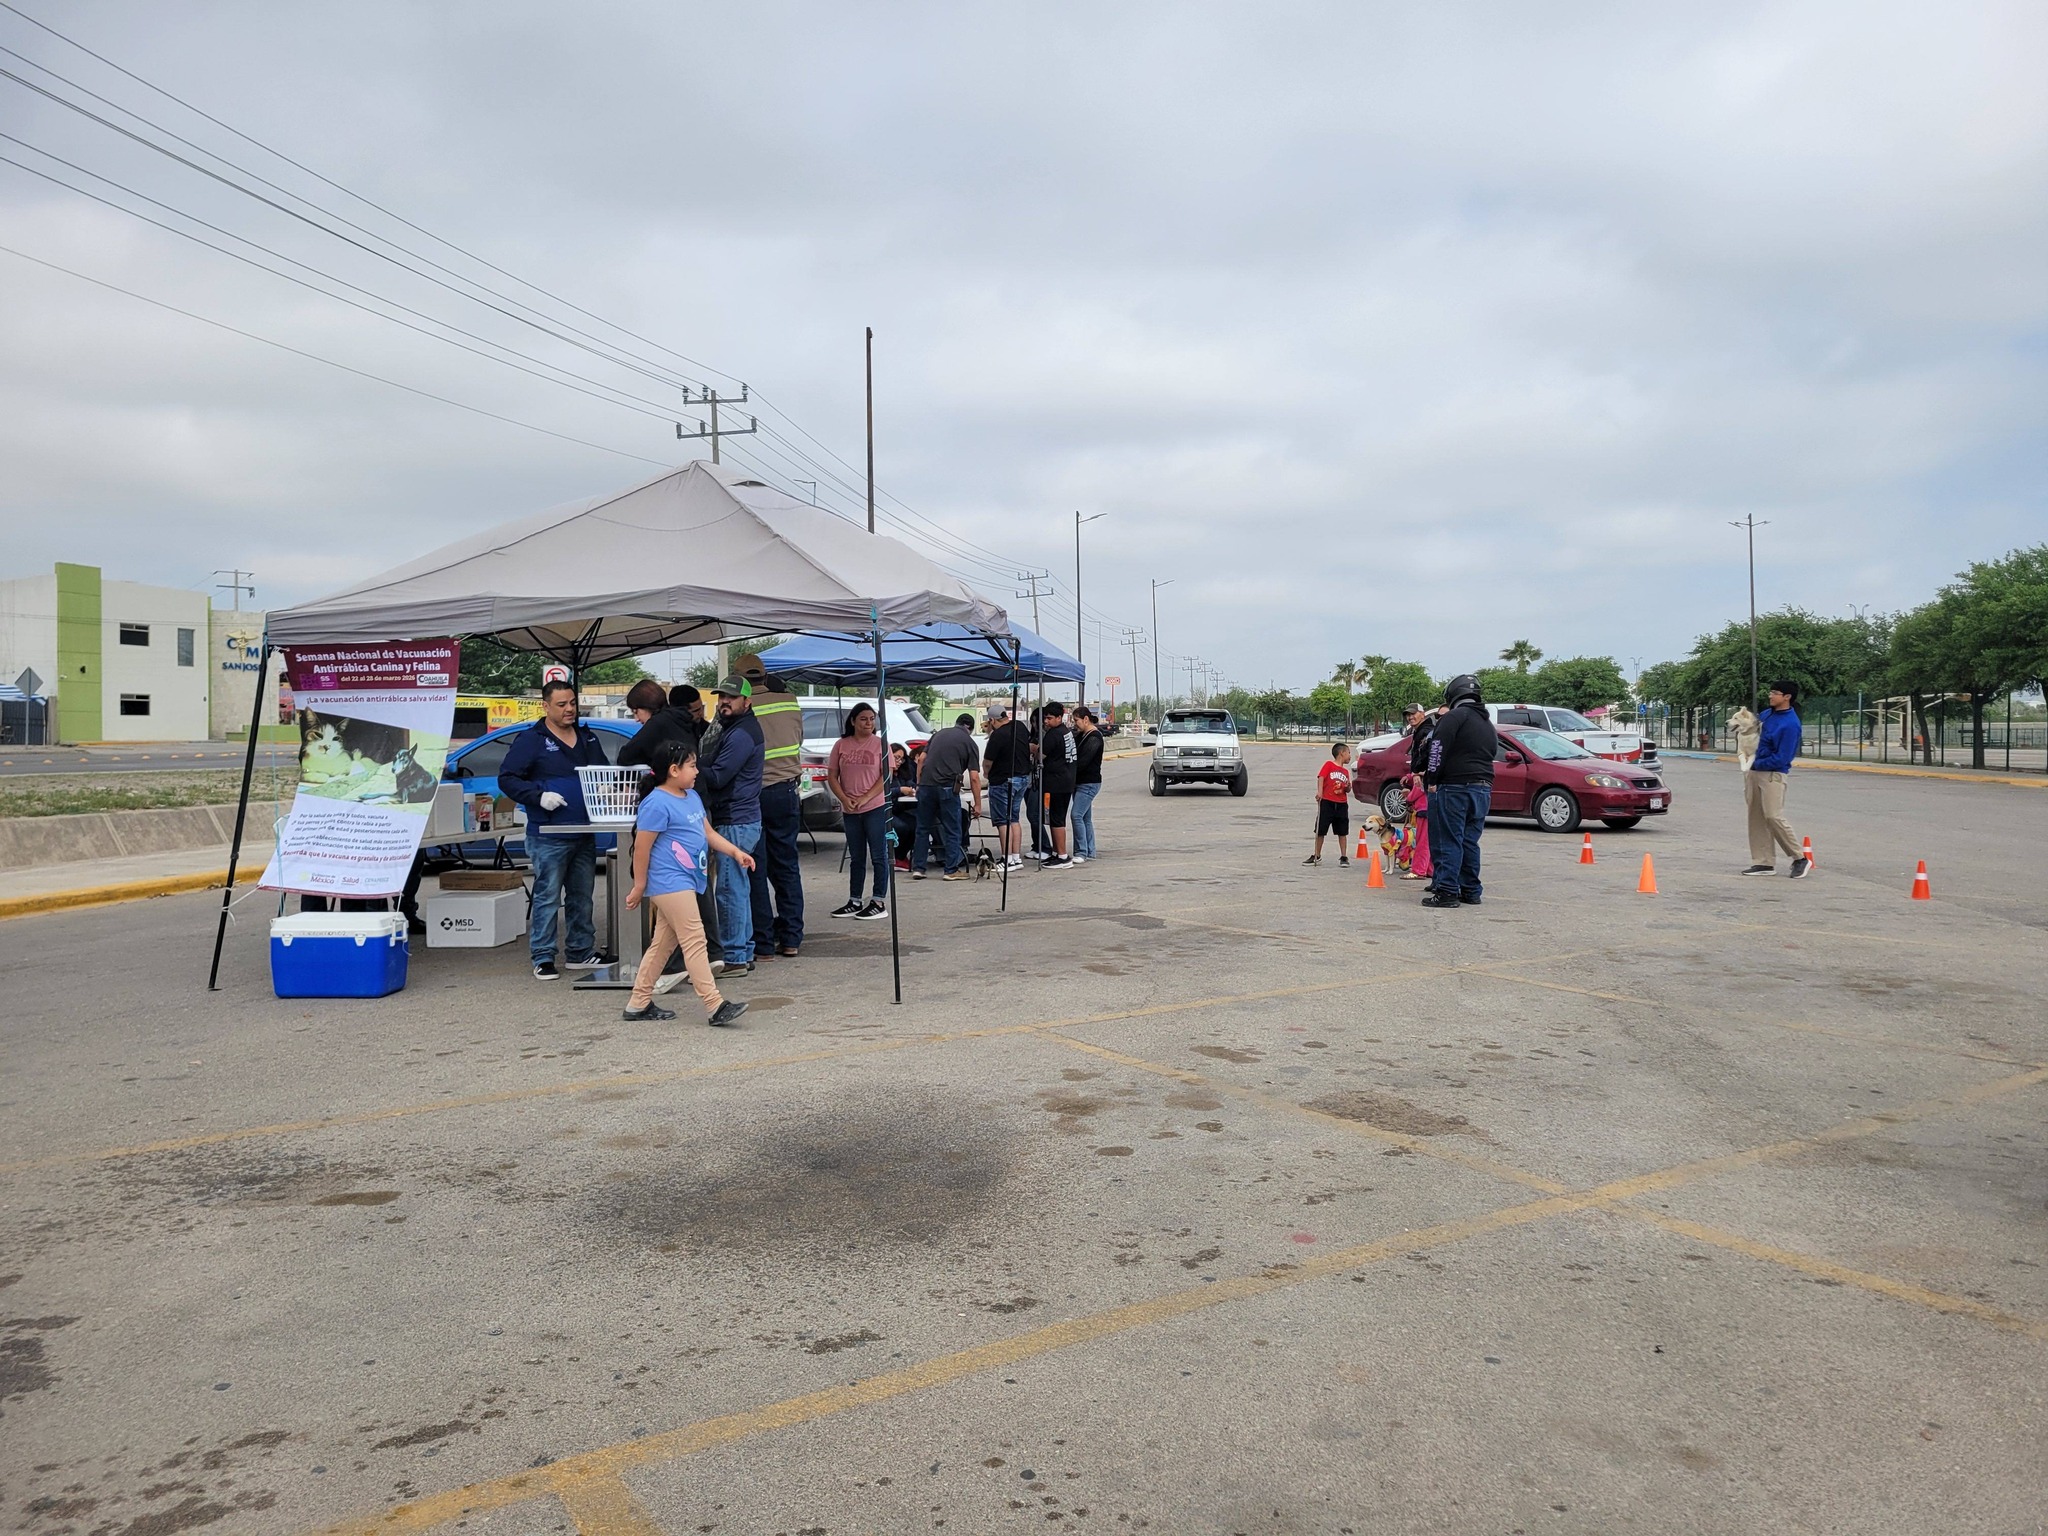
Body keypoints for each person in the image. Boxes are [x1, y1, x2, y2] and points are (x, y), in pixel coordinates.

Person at [621, 741, 751, 1028]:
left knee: (663, 944)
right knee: (695, 939)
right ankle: (714, 1004)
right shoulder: (655, 803)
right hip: (669, 881)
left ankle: (638, 1002)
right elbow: (641, 849)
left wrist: (735, 852)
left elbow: (706, 832)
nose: (696, 771)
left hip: (687, 879)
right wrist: (639, 886)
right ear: (673, 770)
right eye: (692, 766)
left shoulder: (690, 796)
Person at [498, 680, 611, 979]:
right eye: (562, 704)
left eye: (572, 702)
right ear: (546, 706)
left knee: (582, 895)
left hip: (584, 831)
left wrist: (604, 784)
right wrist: (538, 797)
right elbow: (508, 778)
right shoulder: (531, 740)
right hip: (549, 834)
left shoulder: (587, 738)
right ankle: (543, 956)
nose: (569, 709)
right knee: (548, 896)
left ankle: (580, 952)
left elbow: (603, 771)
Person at [619, 680, 721, 971]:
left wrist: (639, 885)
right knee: (699, 884)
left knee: (679, 889)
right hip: (698, 805)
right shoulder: (686, 720)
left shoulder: (659, 723)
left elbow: (625, 755)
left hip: (679, 812)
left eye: (636, 712)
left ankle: (683, 965)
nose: (637, 719)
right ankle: (708, 954)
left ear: (644, 708)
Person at [733, 654, 805, 958]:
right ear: (765, 675)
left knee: (755, 868)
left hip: (753, 796)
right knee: (787, 865)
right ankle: (791, 939)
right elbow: (798, 739)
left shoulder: (743, 707)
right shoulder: (790, 701)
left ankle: (762, 944)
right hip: (787, 793)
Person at [698, 675, 765, 971]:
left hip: (735, 820)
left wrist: (689, 765)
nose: (724, 701)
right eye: (721, 696)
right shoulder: (735, 728)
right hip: (741, 818)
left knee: (727, 890)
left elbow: (719, 777)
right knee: (736, 887)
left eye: (731, 697)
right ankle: (743, 952)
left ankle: (734, 958)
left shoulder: (740, 734)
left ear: (747, 702)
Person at [1420, 675, 1497, 909]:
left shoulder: (1454, 717)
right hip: (1482, 788)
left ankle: (1446, 892)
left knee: (1448, 840)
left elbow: (1437, 749)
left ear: (1453, 695)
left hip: (1455, 788)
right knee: (1469, 841)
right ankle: (1471, 891)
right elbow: (1492, 752)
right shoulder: (1486, 723)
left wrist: (1432, 779)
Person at [826, 702, 892, 920]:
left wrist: (865, 797)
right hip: (850, 808)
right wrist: (844, 799)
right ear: (853, 721)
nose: (869, 723)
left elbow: (886, 777)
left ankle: (878, 900)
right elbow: (832, 776)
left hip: (874, 807)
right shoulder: (841, 745)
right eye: (864, 719)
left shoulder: (881, 744)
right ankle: (855, 899)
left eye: (872, 719)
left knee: (878, 855)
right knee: (856, 857)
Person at [1742, 681, 1810, 878]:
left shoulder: (1790, 724)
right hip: (1753, 772)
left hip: (1772, 774)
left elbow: (1783, 757)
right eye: (1771, 692)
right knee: (1756, 818)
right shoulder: (1767, 714)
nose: (1770, 696)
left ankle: (1799, 858)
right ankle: (1763, 863)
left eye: (1775, 693)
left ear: (1787, 697)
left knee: (1773, 816)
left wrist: (1757, 763)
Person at [913, 711, 983, 880]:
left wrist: (919, 783)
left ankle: (918, 868)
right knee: (953, 829)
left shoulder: (938, 735)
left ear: (957, 723)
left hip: (926, 787)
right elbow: (974, 778)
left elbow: (921, 759)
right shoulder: (970, 743)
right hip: (947, 787)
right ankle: (950, 870)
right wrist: (978, 804)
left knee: (922, 828)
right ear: (970, 729)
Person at [982, 704, 1034, 869]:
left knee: (1002, 821)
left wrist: (986, 774)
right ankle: (1016, 858)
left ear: (992, 720)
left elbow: (987, 762)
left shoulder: (997, 735)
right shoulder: (1019, 726)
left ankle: (1006, 859)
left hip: (1003, 781)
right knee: (1014, 818)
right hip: (1022, 779)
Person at [1038, 700, 1079, 869]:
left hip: (1056, 783)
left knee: (1056, 820)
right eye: (1044, 718)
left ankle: (1062, 856)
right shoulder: (1066, 732)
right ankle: (1056, 853)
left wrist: (1033, 749)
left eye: (1049, 718)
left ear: (1059, 717)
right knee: (1056, 819)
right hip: (1066, 780)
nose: (1046, 721)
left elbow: (1042, 755)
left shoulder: (1054, 734)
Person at [1305, 741, 1353, 866]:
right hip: (1327, 802)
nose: (1350, 756)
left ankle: (1343, 856)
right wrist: (1320, 792)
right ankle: (1317, 855)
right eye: (1348, 753)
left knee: (1342, 831)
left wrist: (1348, 787)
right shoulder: (1329, 765)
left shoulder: (1345, 772)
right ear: (1341, 753)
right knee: (1320, 829)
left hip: (1341, 803)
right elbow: (1321, 777)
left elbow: (1347, 789)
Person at [1071, 706, 1105, 862]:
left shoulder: (1094, 738)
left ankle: (1081, 852)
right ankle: (1090, 851)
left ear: (1085, 719)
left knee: (1076, 815)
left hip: (1089, 783)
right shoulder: (1082, 735)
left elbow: (1083, 762)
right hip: (1081, 782)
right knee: (1085, 818)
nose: (1074, 724)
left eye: (1076, 720)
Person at [890, 743, 920, 870]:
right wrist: (900, 790)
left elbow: (910, 782)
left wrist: (914, 787)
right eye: (896, 758)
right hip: (885, 811)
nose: (899, 762)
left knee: (917, 824)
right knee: (902, 828)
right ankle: (896, 856)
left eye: (901, 759)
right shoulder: (883, 774)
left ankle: (901, 855)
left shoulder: (902, 772)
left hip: (900, 809)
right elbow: (883, 792)